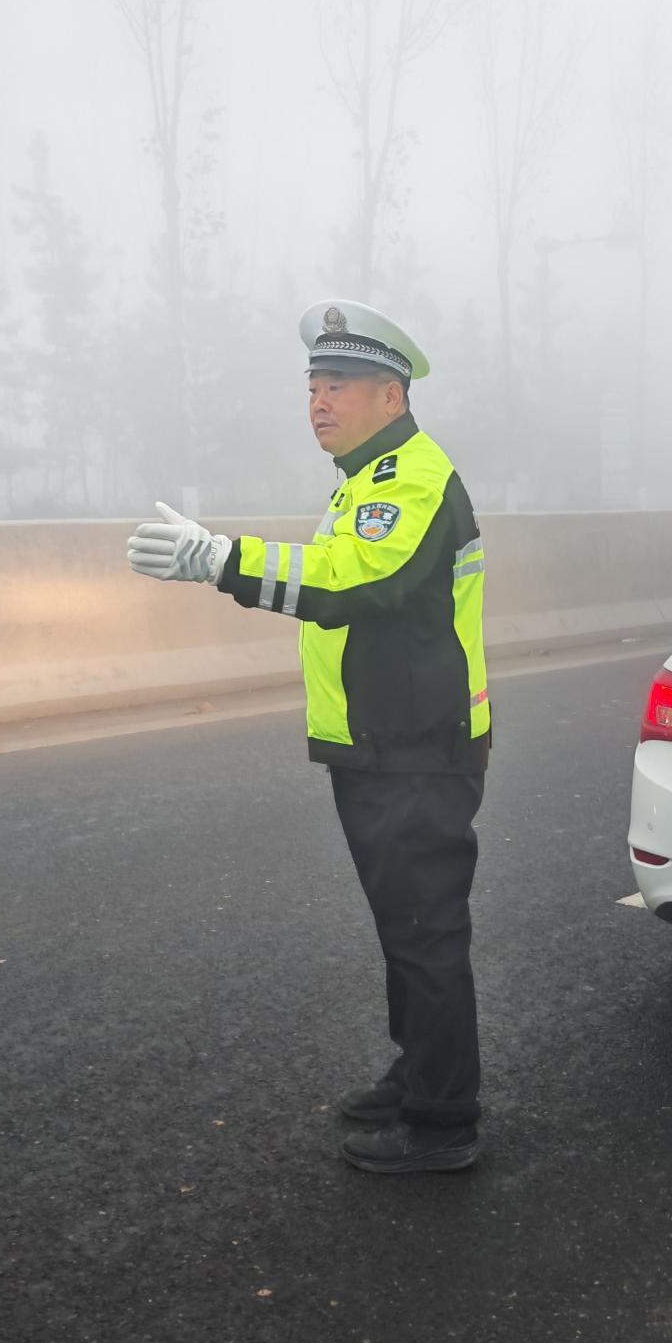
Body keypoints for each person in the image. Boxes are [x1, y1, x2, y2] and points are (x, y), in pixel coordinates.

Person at [125, 301, 490, 1175]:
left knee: (425, 933)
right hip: (381, 742)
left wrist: (222, 560)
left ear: (392, 394)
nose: (318, 403)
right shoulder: (366, 479)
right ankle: (421, 1074)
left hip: (414, 747)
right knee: (405, 928)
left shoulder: (410, 479)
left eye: (339, 387)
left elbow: (354, 584)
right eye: (313, 387)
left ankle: (443, 1124)